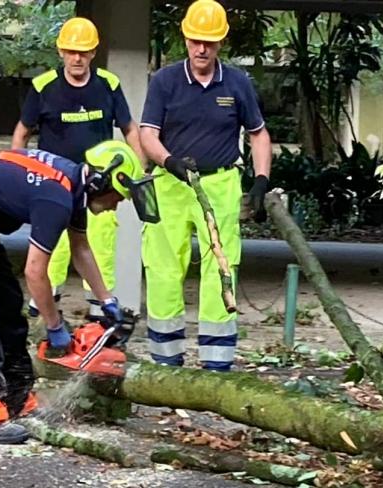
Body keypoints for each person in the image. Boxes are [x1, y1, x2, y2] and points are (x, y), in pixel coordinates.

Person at [0, 140, 155, 444]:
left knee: (8, 304)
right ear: (102, 182)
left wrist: (107, 301)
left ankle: (17, 401)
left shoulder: (73, 188)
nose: (117, 204)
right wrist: (55, 326)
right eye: (118, 197)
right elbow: (35, 272)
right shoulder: (57, 198)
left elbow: (80, 249)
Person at [139, 0, 272, 372]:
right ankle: (165, 364)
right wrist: (168, 161)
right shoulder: (165, 81)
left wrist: (261, 180)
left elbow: (259, 135)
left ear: (221, 43)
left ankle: (217, 365)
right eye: (196, 40)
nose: (202, 49)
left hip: (220, 184)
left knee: (222, 266)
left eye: (209, 42)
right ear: (185, 38)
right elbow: (148, 133)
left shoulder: (237, 82)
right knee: (164, 267)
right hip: (170, 183)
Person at [11, 17, 145, 318]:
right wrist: (17, 173)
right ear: (61, 52)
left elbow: (130, 129)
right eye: (71, 51)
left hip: (98, 188)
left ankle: (101, 314)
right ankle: (43, 312)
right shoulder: (44, 86)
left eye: (83, 51)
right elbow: (22, 131)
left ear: (93, 52)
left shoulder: (108, 85)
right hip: (53, 185)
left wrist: (139, 174)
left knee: (99, 248)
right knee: (51, 249)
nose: (77, 57)